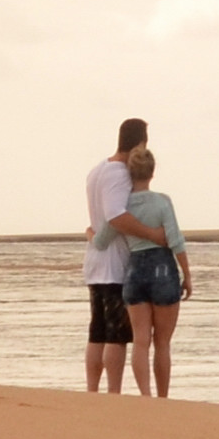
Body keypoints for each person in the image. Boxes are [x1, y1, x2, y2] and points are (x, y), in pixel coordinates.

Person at [106, 145, 191, 396]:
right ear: (152, 172)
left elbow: (103, 236)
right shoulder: (162, 202)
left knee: (140, 341)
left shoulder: (122, 207)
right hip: (163, 269)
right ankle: (162, 397)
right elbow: (175, 239)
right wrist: (187, 274)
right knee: (162, 342)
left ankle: (145, 395)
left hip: (135, 270)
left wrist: (90, 234)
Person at [81, 118, 149, 392]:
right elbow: (116, 216)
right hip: (113, 263)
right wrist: (152, 234)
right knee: (116, 333)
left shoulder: (97, 170)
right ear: (140, 142)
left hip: (96, 262)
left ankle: (92, 390)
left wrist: (94, 238)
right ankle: (113, 392)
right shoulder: (119, 173)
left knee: (97, 330)